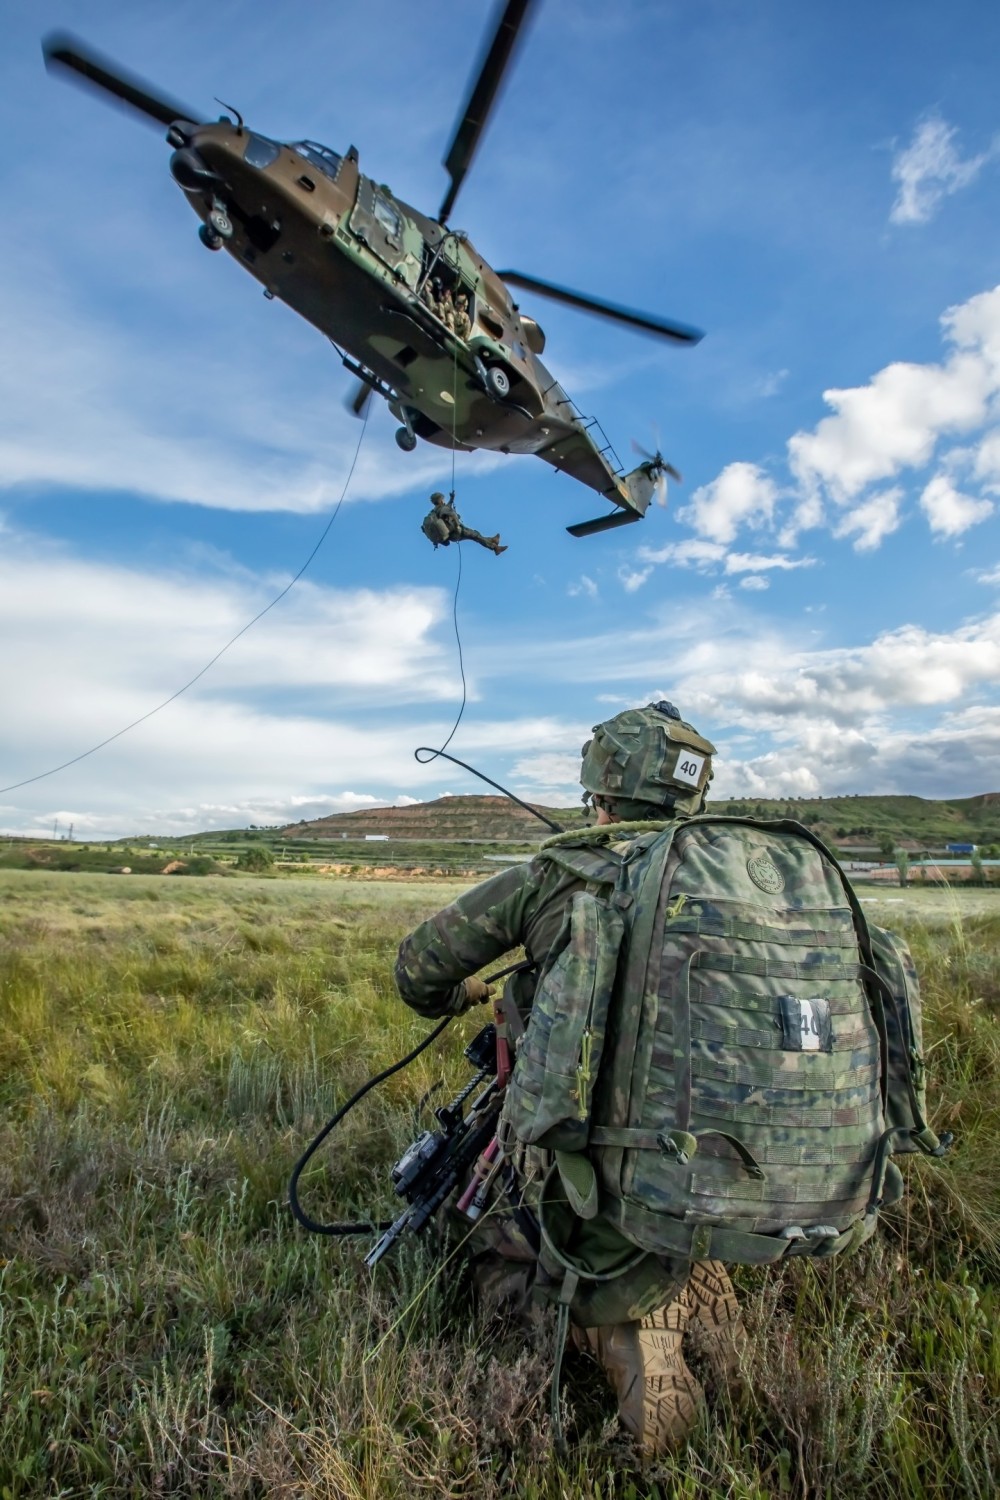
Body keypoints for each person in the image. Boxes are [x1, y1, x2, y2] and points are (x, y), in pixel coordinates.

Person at [394, 702, 745, 1455]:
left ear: (603, 794)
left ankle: (609, 1337)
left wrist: (464, 996)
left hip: (585, 1141)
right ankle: (678, 1289)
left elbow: (418, 969)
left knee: (491, 1226)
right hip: (720, 1145)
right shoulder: (744, 882)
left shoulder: (561, 873)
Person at [421, 491, 507, 555]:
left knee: (476, 535)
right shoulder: (443, 509)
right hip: (457, 532)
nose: (444, 500)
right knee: (476, 536)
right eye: (443, 499)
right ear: (440, 500)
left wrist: (451, 499)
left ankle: (492, 540)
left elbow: (446, 508)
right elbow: (451, 514)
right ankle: (495, 548)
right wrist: (457, 525)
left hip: (452, 536)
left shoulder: (435, 511)